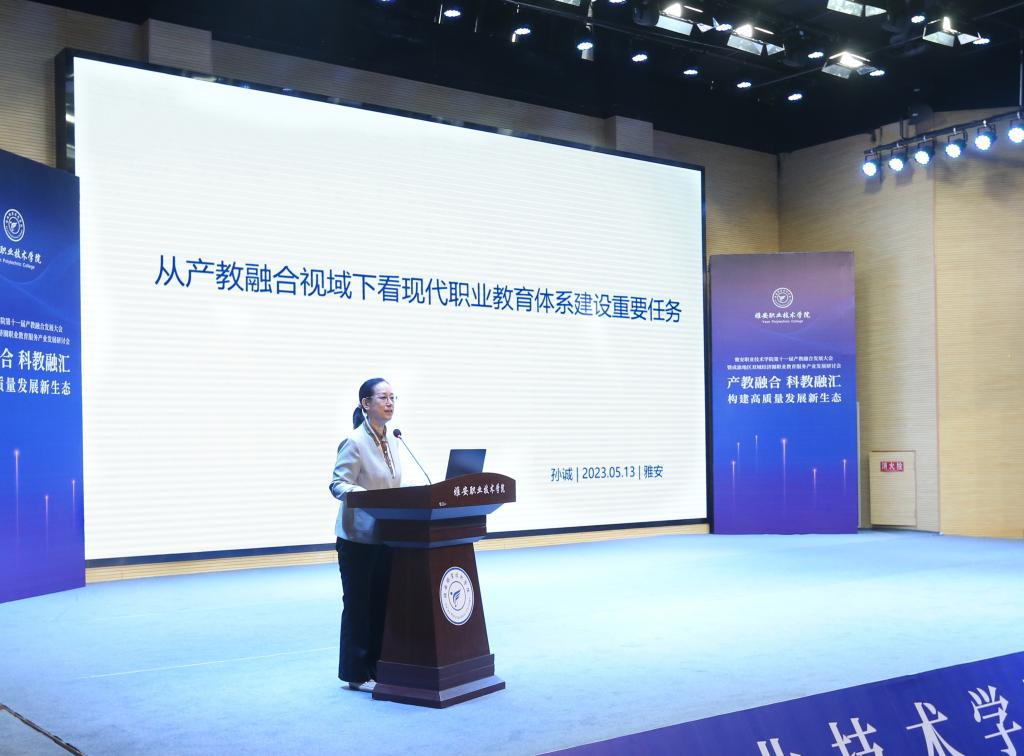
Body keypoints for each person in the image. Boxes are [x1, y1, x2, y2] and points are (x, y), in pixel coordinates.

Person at [329, 377, 402, 692]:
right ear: (366, 404)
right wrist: (367, 497)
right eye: (383, 397)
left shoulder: (394, 440)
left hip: (386, 535)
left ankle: (378, 666)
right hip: (357, 538)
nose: (390, 403)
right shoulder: (355, 441)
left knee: (381, 603)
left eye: (393, 397)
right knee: (359, 605)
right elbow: (338, 484)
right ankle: (356, 673)